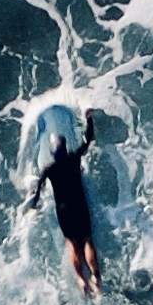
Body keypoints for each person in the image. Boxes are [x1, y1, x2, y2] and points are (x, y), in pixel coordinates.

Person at [31, 110, 102, 294]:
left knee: (72, 242)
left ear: (53, 153)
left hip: (63, 211)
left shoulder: (49, 169)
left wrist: (34, 204)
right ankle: (95, 275)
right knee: (86, 239)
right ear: (64, 149)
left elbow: (38, 188)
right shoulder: (74, 158)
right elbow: (88, 140)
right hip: (79, 205)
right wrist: (89, 119)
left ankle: (81, 278)